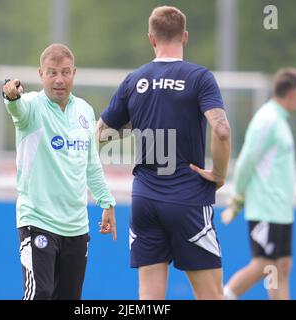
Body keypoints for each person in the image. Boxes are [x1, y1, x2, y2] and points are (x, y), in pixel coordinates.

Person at [96, 6, 231, 300]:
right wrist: (219, 175)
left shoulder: (135, 80)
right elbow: (221, 130)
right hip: (188, 199)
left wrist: (140, 123)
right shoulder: (199, 77)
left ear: (151, 39)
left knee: (150, 300)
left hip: (144, 198)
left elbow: (101, 134)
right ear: (184, 37)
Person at [2, 44, 117, 300]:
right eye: (52, 73)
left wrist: (106, 202)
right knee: (40, 293)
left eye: (65, 72)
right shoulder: (31, 106)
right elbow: (16, 109)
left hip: (76, 226)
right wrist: (11, 96)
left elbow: (91, 163)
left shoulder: (85, 111)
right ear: (41, 74)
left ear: (74, 73)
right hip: (38, 221)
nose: (59, 79)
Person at [222, 68, 296, 300]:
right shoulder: (267, 120)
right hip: (265, 209)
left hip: (281, 211)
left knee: (281, 265)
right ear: (291, 92)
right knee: (264, 264)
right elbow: (246, 162)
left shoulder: (280, 120)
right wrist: (237, 198)